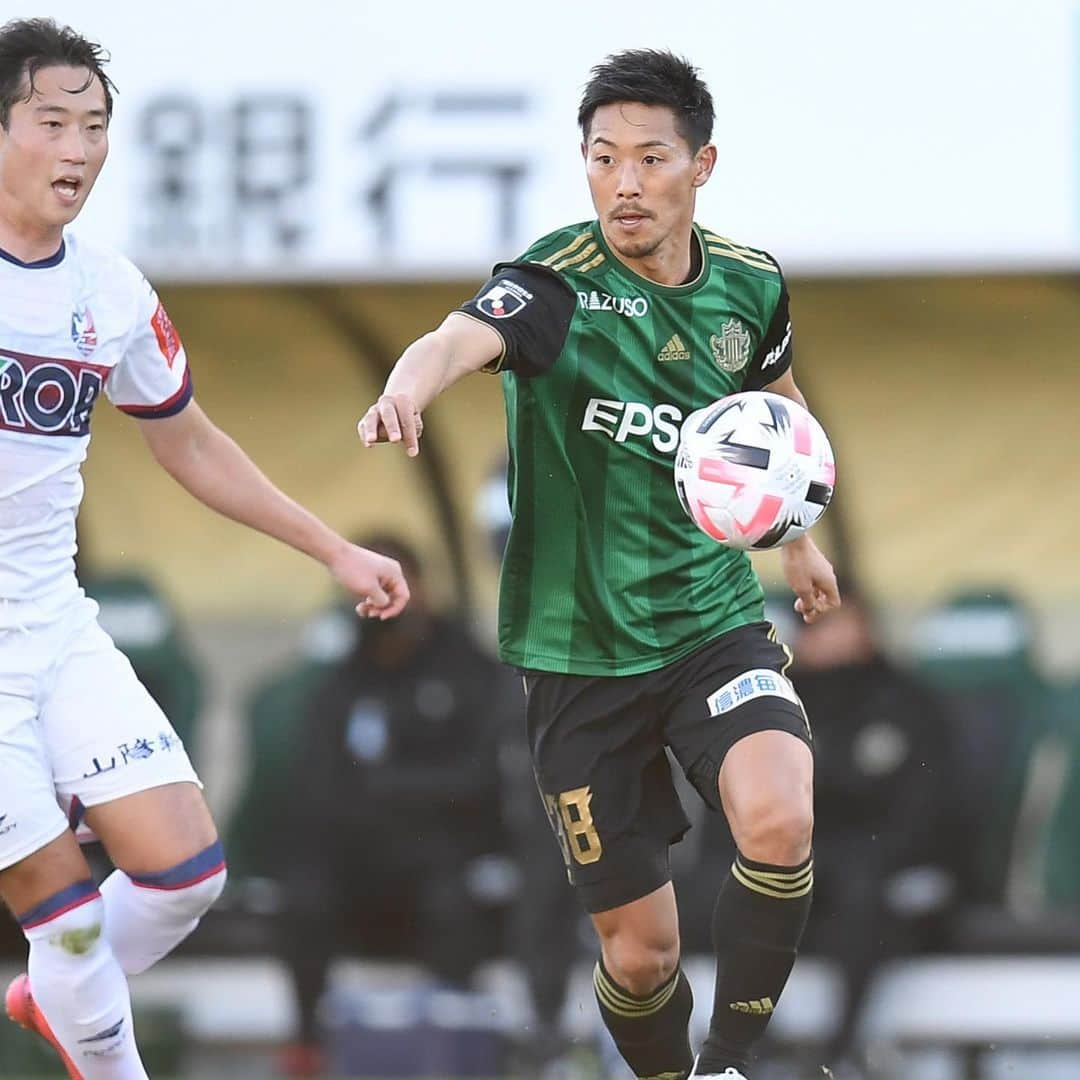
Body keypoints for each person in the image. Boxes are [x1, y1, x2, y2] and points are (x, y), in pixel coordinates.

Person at [360, 48, 839, 1080]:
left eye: (650, 158)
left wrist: (798, 533)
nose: (624, 182)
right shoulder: (554, 287)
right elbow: (450, 342)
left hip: (714, 624)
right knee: (641, 950)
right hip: (577, 654)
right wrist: (408, 388)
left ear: (701, 164)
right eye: (603, 157)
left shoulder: (748, 284)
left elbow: (775, 398)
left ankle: (732, 1064)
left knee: (782, 812)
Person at [0, 19, 408, 1079]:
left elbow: (192, 445)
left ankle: (55, 1000)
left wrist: (332, 551)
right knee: (70, 918)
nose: (81, 149)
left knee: (186, 873)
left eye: (96, 126)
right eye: (54, 123)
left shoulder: (111, 292)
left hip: (53, 623)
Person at [276, 535, 503, 1075]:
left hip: (441, 848)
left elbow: (480, 778)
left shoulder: (464, 665)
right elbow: (318, 779)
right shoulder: (340, 674)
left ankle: (454, 1051)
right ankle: (308, 1045)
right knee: (303, 892)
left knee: (454, 900)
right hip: (360, 853)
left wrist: (390, 788)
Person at [790, 588, 958, 1068]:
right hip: (805, 874)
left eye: (837, 622)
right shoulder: (777, 706)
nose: (828, 637)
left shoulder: (907, 703)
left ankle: (837, 1055)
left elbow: (928, 811)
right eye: (813, 625)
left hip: (891, 876)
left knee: (864, 900)